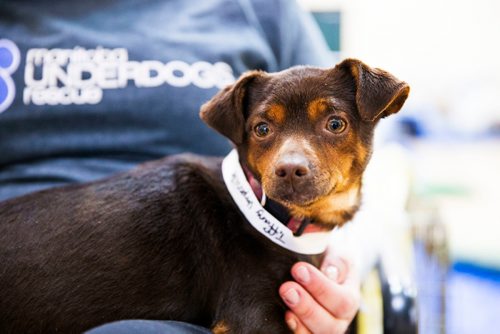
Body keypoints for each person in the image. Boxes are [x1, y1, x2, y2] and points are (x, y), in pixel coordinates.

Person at [0, 0, 360, 332]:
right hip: (24, 271)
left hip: (220, 270)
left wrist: (338, 268)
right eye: (263, 128)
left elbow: (359, 160)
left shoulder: (262, 10)